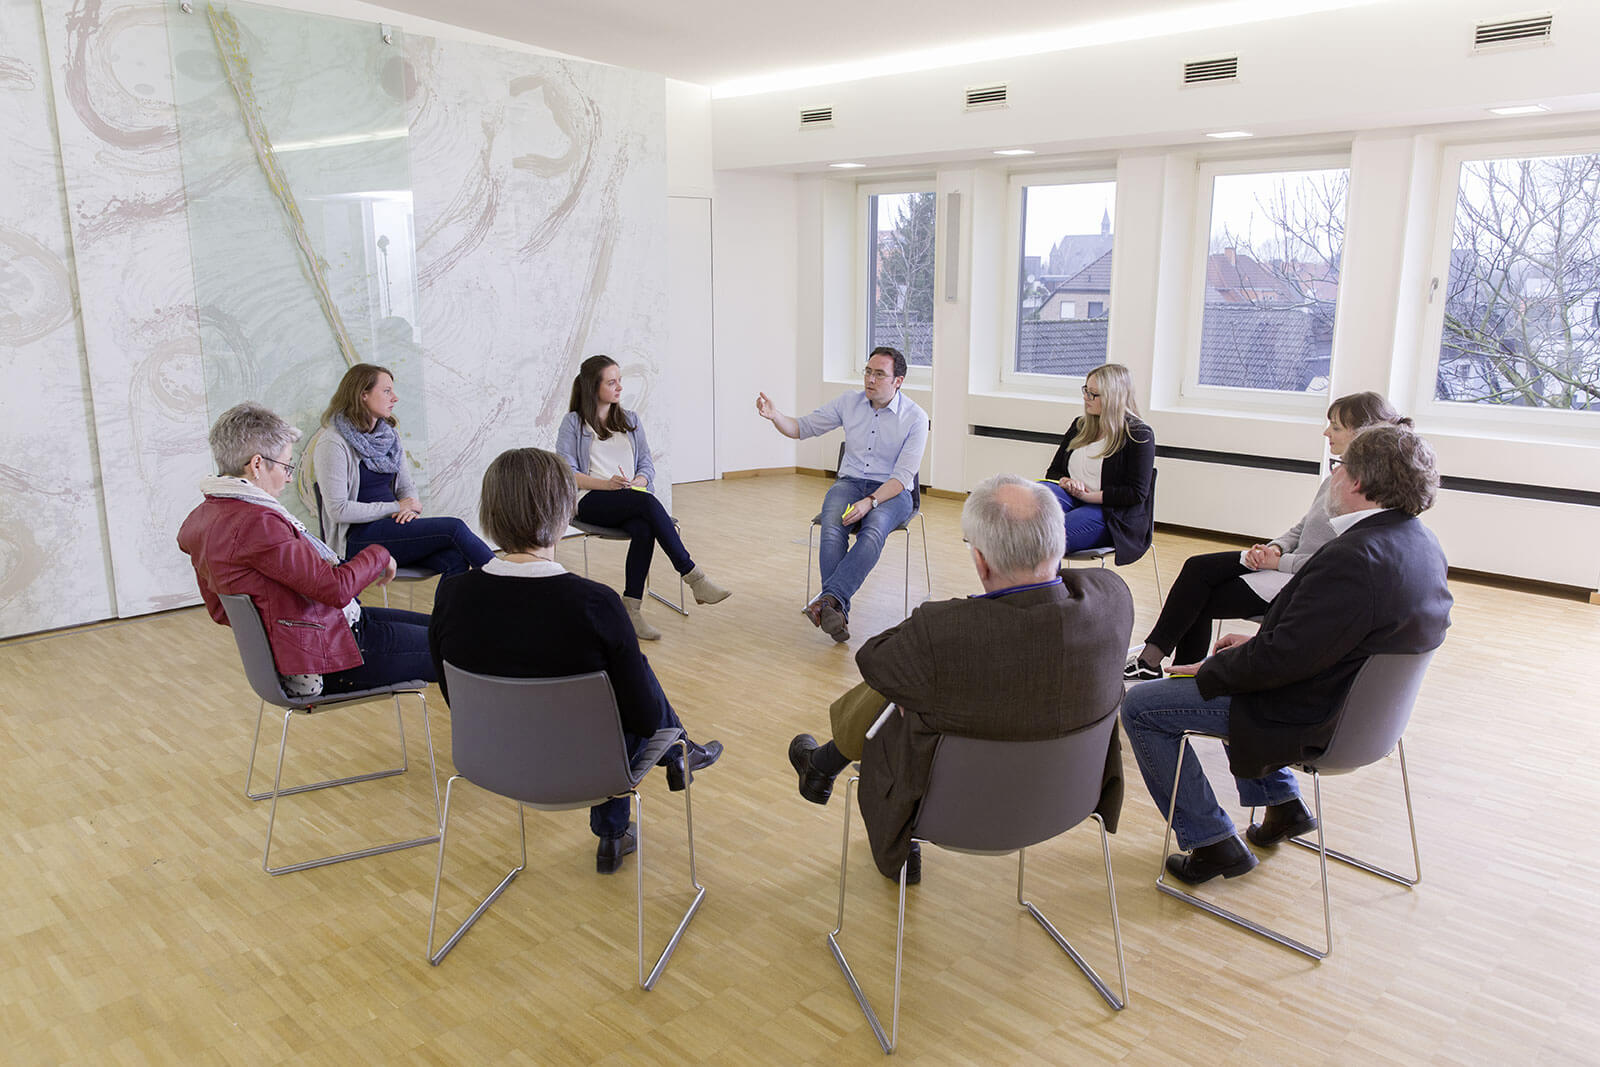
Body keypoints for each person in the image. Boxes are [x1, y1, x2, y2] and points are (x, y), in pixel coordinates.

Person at [1120, 424, 1452, 885]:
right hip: (1367, 717)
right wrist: (1256, 646)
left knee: (1139, 707)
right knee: (1235, 671)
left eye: (1339, 467)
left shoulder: (1352, 557)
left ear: (1356, 482)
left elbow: (1280, 664)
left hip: (1315, 714)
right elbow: (1321, 643)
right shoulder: (1421, 542)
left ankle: (1210, 841)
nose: (1333, 477)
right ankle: (1282, 805)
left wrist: (1213, 669)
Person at [786, 474, 1131, 883]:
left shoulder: (946, 631)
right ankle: (824, 763)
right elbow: (1061, 592)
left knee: (906, 693)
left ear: (981, 561)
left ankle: (846, 783)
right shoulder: (1113, 598)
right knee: (922, 682)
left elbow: (873, 660)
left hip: (947, 812)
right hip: (1067, 802)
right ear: (1060, 545)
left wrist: (964, 612)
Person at [427, 447, 724, 875]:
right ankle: (672, 758)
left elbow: (454, 696)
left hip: (492, 761)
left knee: (612, 684)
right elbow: (642, 717)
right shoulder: (595, 603)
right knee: (623, 689)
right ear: (565, 511)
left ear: (490, 512)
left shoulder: (452, 593)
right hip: (588, 770)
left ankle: (642, 799)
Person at [1126, 391, 1413, 680]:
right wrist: (1275, 547)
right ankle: (1156, 664)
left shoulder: (1366, 496)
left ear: (1363, 433)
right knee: (1197, 568)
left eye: (1336, 427)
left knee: (1198, 598)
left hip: (1296, 577)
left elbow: (1330, 565)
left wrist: (1278, 563)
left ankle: (1178, 676)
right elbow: (1303, 526)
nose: (1327, 433)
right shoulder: (1336, 476)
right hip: (1283, 563)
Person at [178, 403, 433, 698]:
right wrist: (379, 554)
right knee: (459, 647)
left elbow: (220, 610)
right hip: (328, 654)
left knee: (448, 628)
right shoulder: (257, 523)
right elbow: (336, 589)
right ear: (257, 464)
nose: (289, 477)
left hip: (323, 635)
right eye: (286, 466)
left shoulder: (204, 518)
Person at [756, 346, 929, 643]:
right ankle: (836, 607)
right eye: (867, 372)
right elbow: (801, 428)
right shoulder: (850, 402)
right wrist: (775, 416)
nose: (870, 380)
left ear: (897, 381)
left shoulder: (915, 417)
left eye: (879, 374)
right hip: (850, 483)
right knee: (832, 527)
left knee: (873, 530)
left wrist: (870, 502)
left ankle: (827, 600)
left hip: (893, 492)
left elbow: (902, 478)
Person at [556, 355, 729, 641]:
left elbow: (647, 464)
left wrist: (641, 480)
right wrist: (606, 484)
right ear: (592, 386)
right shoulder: (573, 423)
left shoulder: (630, 420)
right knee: (647, 503)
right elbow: (567, 473)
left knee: (644, 526)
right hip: (590, 499)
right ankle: (694, 577)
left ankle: (632, 609)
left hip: (629, 497)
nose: (619, 387)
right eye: (612, 382)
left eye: (619, 381)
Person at [311, 363, 494, 577]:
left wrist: (408, 509)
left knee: (454, 559)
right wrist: (395, 507)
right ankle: (509, 581)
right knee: (454, 528)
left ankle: (453, 612)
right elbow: (338, 510)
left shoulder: (389, 436)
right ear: (363, 395)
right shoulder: (333, 443)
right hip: (357, 538)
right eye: (387, 391)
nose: (395, 398)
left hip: (395, 529)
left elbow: (407, 487)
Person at [1042, 362, 1155, 562]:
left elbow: (1136, 493)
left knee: (1047, 537)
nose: (1086, 398)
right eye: (1086, 390)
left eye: (1094, 394)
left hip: (1110, 511)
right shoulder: (1081, 425)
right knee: (1026, 507)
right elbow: (1053, 471)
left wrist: (1089, 496)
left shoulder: (1139, 434)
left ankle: (1047, 592)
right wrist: (1065, 481)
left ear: (1114, 397)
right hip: (1071, 496)